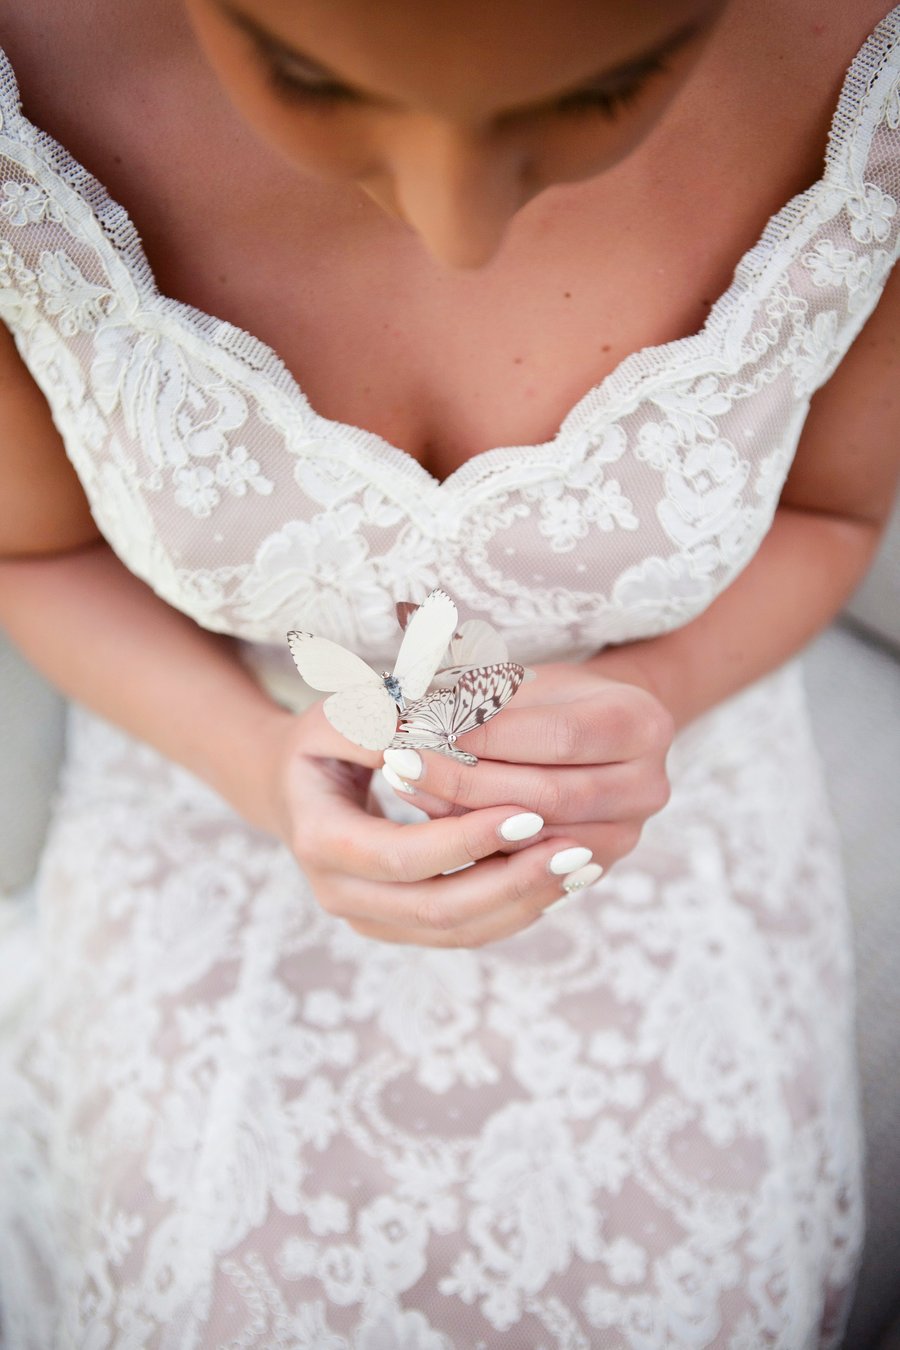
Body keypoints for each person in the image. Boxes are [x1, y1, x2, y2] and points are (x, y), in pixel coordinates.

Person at [0, 0, 897, 1343]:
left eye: (603, 92)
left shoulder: (867, 84)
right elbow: (32, 554)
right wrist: (257, 762)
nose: (458, 224)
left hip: (660, 809)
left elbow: (831, 513)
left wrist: (665, 687)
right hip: (201, 772)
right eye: (307, 77)